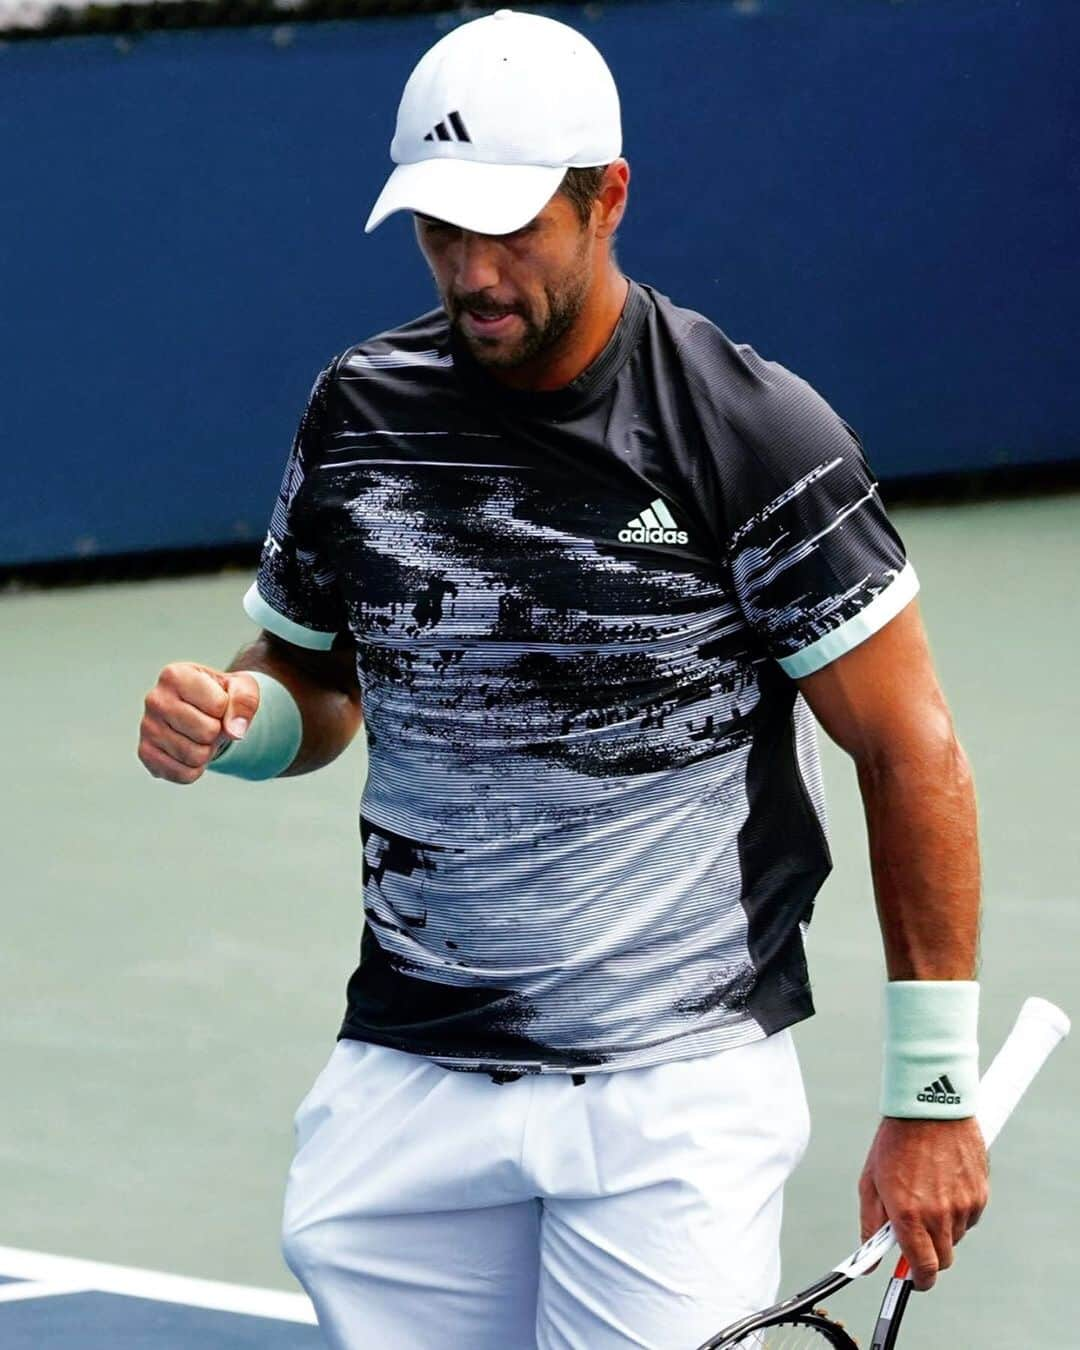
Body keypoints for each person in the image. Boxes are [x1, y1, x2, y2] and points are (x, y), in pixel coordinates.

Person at [137, 10, 988, 1348]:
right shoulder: (358, 414)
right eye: (439, 231)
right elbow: (315, 687)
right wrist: (239, 720)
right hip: (410, 1064)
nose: (472, 271)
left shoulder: (751, 432)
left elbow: (909, 746)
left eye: (511, 228)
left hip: (671, 1085)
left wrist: (932, 1092)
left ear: (608, 198)